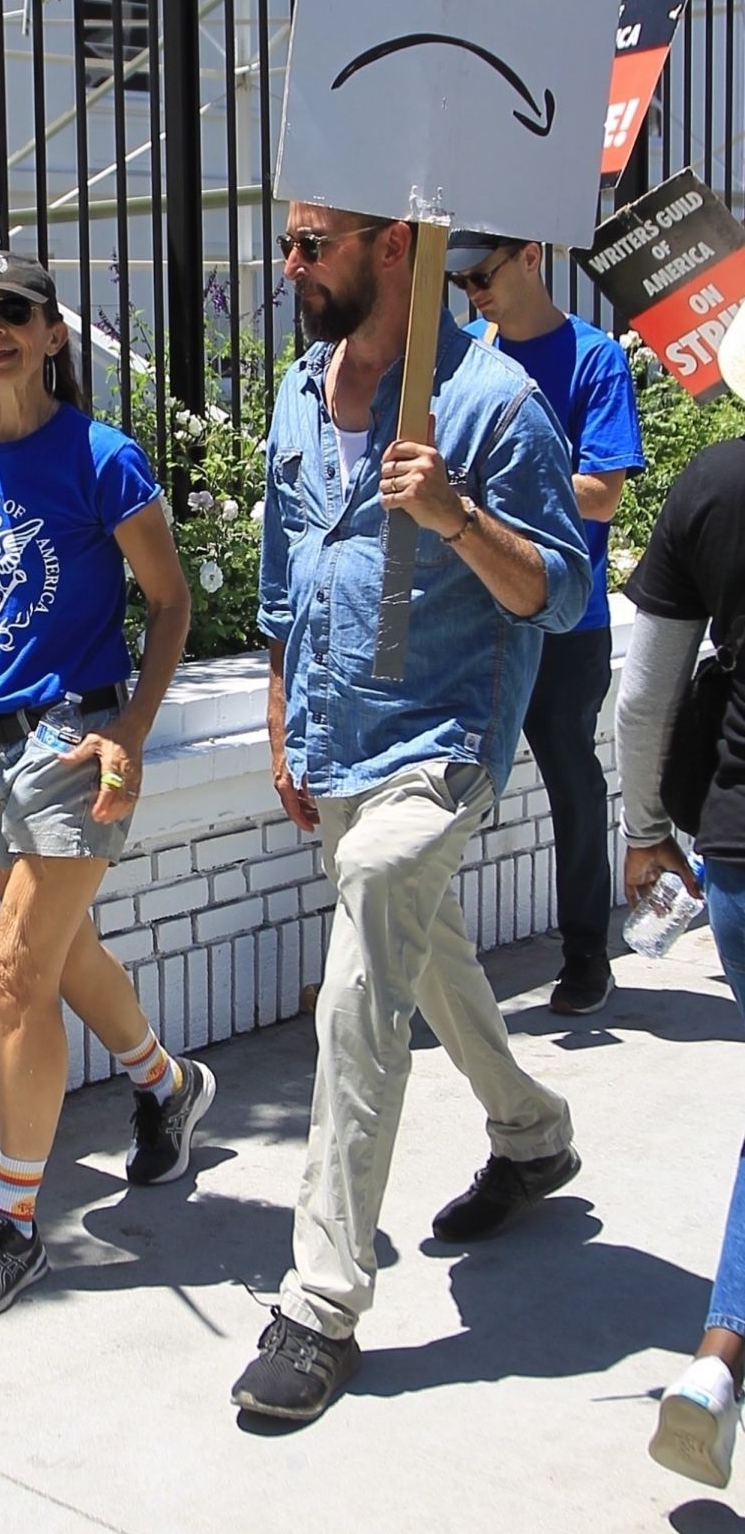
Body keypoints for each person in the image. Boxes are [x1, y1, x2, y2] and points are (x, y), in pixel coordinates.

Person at [231, 205, 592, 1423]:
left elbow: (553, 593)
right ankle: (531, 1132)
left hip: (440, 744)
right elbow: (285, 576)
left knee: (367, 950)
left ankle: (320, 1299)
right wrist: (283, 723)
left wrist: (453, 516)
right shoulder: (296, 391)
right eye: (286, 243)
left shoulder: (490, 405)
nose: (288, 267)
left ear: (395, 247)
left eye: (310, 244)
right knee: (421, 948)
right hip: (334, 741)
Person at [0, 250, 210, 1320]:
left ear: (52, 334)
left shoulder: (102, 458)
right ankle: (167, 1085)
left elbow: (169, 604)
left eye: (11, 312)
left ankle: (13, 1224)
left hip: (71, 741)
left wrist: (131, 730)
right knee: (60, 958)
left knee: (15, 971)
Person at [446, 230, 645, 1015]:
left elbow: (602, 491)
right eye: (459, 281)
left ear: (532, 256)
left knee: (571, 781)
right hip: (472, 612)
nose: (471, 293)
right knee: (443, 785)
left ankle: (587, 954)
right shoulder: (464, 352)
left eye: (481, 275)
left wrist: (501, 485)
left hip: (566, 614)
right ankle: (431, 967)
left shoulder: (594, 358)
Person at [616, 316, 745, 1488]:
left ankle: (713, 1364)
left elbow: (643, 693)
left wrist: (641, 832)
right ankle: (716, 1361)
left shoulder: (711, 483)